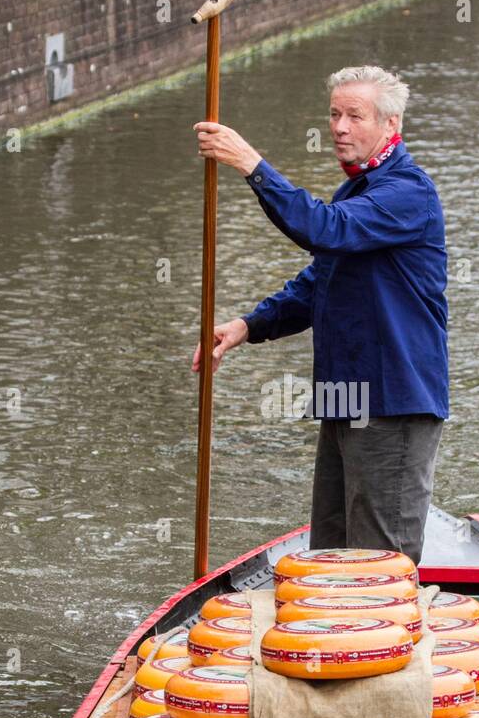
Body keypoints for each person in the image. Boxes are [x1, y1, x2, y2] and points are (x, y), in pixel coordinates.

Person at [192, 64, 449, 566]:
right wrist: (249, 325)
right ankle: (330, 644)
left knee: (378, 564)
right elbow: (320, 281)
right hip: (343, 394)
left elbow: (324, 230)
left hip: (392, 399)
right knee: (330, 552)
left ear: (390, 126)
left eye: (355, 116)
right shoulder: (357, 192)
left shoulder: (407, 194)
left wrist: (252, 164)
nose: (339, 127)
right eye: (334, 114)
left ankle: (382, 643)